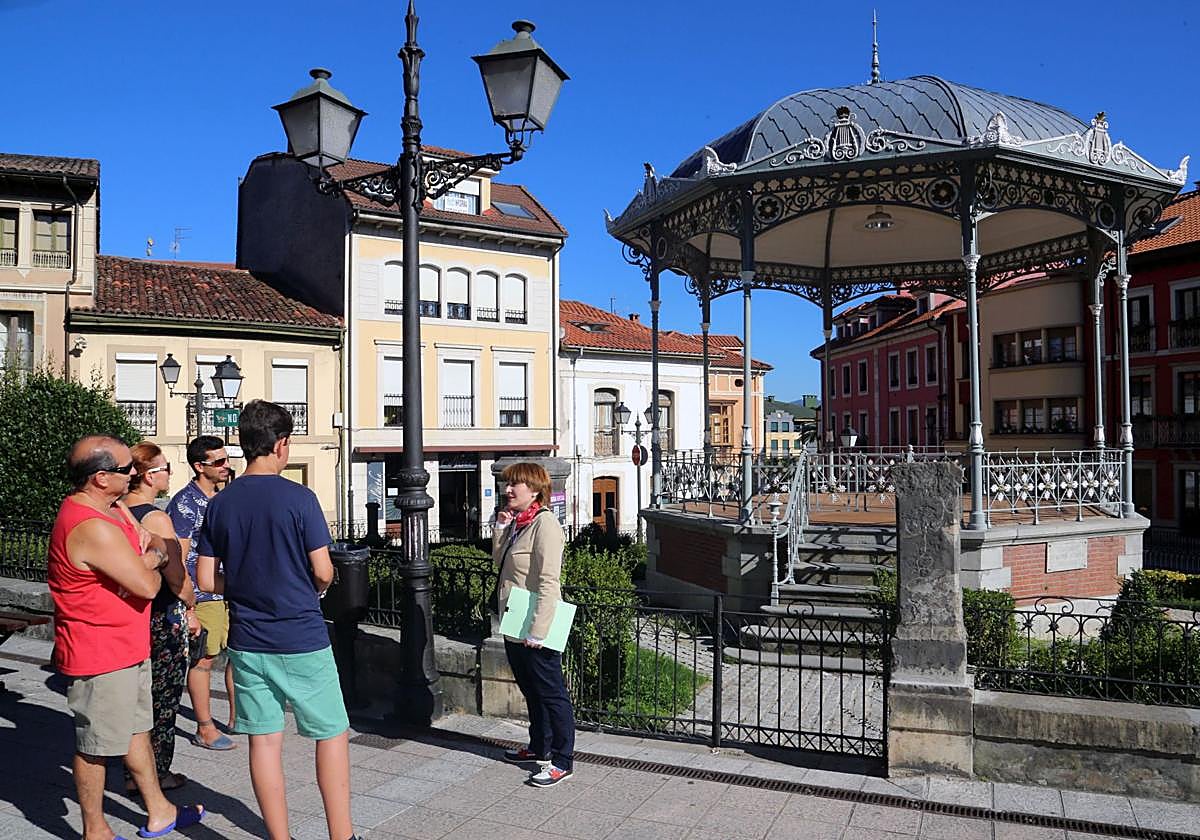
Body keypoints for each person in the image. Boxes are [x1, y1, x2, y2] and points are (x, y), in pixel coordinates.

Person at [195, 400, 356, 840]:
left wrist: (246, 586)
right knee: (331, 734)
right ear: (282, 444)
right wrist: (316, 585)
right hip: (300, 634)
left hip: (247, 639)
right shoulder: (301, 499)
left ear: (245, 445)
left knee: (264, 741)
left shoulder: (220, 504)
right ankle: (341, 835)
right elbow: (322, 570)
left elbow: (206, 576)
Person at [49, 435, 204, 840]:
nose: (134, 473)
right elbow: (148, 585)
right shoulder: (90, 525)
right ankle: (95, 829)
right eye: (125, 470)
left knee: (137, 731)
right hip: (99, 652)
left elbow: (144, 541)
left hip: (127, 644)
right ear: (101, 478)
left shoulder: (112, 506)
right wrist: (154, 558)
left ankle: (159, 811)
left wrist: (146, 552)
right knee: (96, 744)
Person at [493, 461, 575, 787]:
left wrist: (538, 632)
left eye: (515, 485)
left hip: (536, 627)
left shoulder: (546, 526)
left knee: (551, 693)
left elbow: (549, 583)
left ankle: (562, 759)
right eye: (507, 484)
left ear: (535, 490)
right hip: (516, 620)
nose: (508, 489)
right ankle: (538, 746)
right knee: (531, 691)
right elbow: (500, 563)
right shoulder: (520, 523)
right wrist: (500, 528)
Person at [122, 442, 198, 794]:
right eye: (165, 467)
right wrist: (192, 605)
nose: (170, 472)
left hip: (130, 617)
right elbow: (176, 576)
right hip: (162, 617)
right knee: (163, 699)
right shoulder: (155, 517)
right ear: (150, 476)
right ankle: (157, 773)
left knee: (135, 698)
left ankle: (130, 769)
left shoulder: (118, 511)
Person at [169, 434, 236, 750]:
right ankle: (205, 727)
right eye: (219, 462)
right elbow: (178, 558)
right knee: (204, 661)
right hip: (203, 595)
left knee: (238, 656)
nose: (227, 466)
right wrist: (189, 605)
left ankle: (238, 719)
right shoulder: (184, 504)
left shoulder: (226, 497)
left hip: (231, 590)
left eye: (227, 459)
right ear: (199, 466)